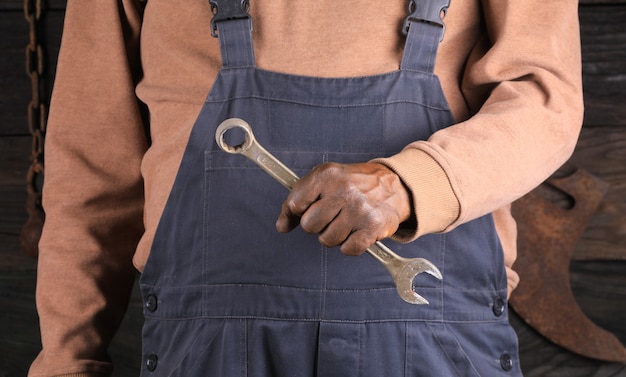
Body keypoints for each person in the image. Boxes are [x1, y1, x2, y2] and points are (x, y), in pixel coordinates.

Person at [29, 0, 583, 376]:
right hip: (207, 347)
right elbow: (92, 169)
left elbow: (545, 98)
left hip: (432, 340)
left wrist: (410, 184)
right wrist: (65, 360)